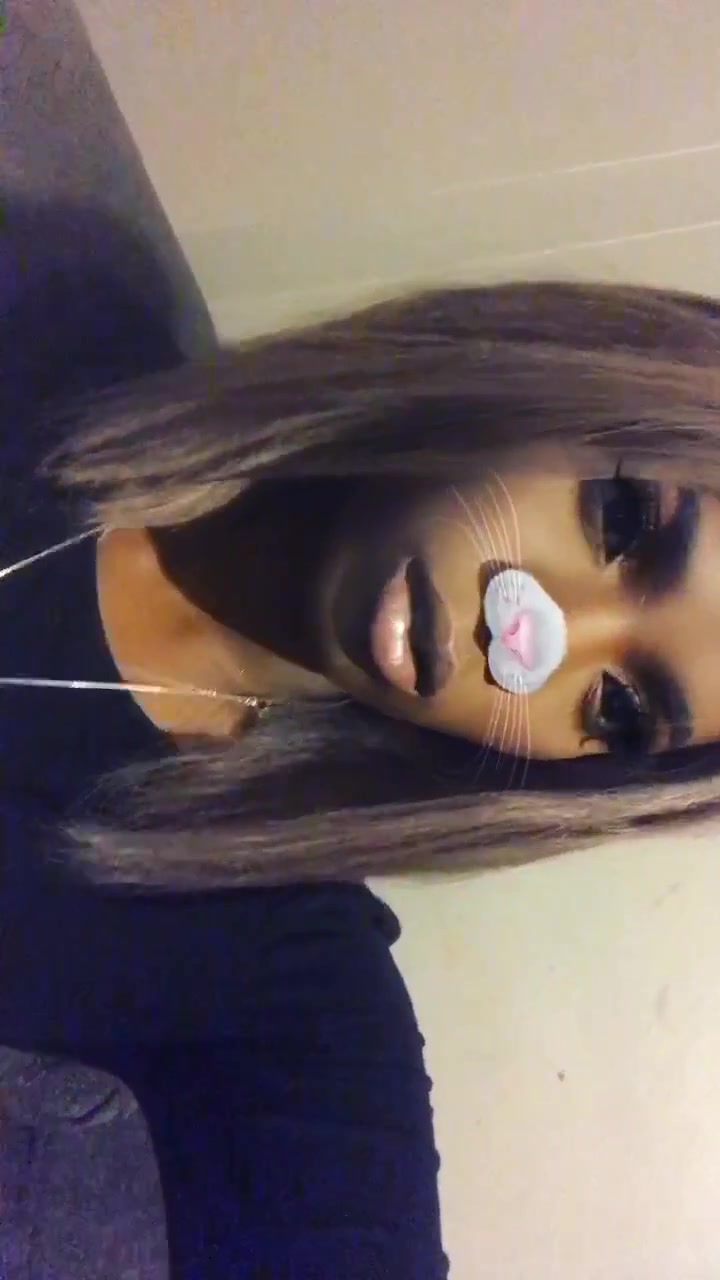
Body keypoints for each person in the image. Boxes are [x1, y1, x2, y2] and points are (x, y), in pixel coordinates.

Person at [5, 279, 720, 894]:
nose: (531, 637)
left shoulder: (267, 952)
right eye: (622, 519)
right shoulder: (59, 298)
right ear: (558, 385)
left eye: (621, 712)